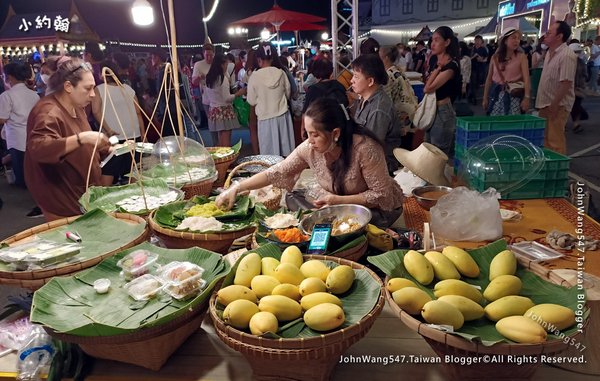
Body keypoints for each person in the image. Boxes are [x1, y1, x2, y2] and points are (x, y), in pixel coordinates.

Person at [215, 97, 404, 228]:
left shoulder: (365, 149)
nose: (310, 140)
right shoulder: (310, 148)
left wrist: (339, 201)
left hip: (373, 209)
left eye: (315, 135)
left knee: (355, 224)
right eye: (307, 133)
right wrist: (236, 188)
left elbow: (382, 195)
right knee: (293, 197)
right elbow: (276, 172)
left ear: (336, 133)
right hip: (334, 203)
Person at [25, 57, 112, 221]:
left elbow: (86, 142)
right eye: (88, 88)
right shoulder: (48, 111)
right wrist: (82, 138)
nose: (93, 95)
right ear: (68, 86)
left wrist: (107, 148)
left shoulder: (77, 107)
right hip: (61, 196)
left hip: (83, 190)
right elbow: (39, 148)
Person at [92, 60, 145, 184]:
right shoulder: (127, 88)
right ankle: (135, 197)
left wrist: (108, 129)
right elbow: (138, 112)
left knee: (109, 169)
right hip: (134, 133)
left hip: (115, 135)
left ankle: (102, 198)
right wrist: (143, 133)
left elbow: (95, 112)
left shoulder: (99, 89)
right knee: (134, 168)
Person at [351, 54, 401, 173]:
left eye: (356, 77)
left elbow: (370, 148)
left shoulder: (379, 109)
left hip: (380, 166)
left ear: (370, 81)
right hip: (365, 158)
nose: (351, 80)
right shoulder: (364, 98)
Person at [536, 21, 577, 154]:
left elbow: (566, 83)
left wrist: (554, 105)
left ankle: (557, 170)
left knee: (555, 141)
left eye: (549, 33)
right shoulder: (549, 52)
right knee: (546, 140)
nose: (545, 35)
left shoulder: (566, 55)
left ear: (559, 36)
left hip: (557, 105)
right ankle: (549, 166)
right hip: (545, 103)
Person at [247, 42, 294, 156]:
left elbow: (251, 100)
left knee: (268, 154)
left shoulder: (254, 76)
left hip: (264, 119)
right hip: (283, 117)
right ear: (272, 58)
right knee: (285, 151)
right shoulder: (281, 73)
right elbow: (288, 94)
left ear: (259, 59)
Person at [0, 62, 40, 190]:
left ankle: (24, 186)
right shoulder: (34, 94)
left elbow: (2, 118)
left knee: (21, 168)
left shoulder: (7, 95)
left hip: (16, 136)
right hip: (32, 133)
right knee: (32, 166)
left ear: (10, 77)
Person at [423, 26, 461, 158]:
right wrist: (438, 67)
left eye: (437, 40)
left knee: (437, 156)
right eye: (432, 40)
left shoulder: (451, 65)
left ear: (447, 42)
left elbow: (428, 88)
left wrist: (439, 68)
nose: (433, 44)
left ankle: (439, 179)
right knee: (427, 150)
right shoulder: (434, 60)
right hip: (431, 108)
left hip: (443, 111)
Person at [483, 28, 531, 116]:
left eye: (518, 38)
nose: (516, 41)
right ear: (505, 40)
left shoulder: (521, 57)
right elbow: (489, 79)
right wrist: (485, 98)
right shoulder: (495, 58)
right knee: (495, 123)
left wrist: (527, 97)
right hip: (496, 95)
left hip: (514, 96)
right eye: (513, 38)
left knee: (512, 124)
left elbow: (527, 79)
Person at [379, 45, 418, 149]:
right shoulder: (398, 70)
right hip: (410, 112)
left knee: (401, 150)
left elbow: (387, 100)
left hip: (401, 115)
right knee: (407, 146)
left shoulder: (388, 75)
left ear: (386, 57)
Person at [300, 58, 348, 139]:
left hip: (319, 130)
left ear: (314, 72)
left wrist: (303, 129)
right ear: (331, 71)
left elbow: (305, 113)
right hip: (338, 127)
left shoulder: (313, 90)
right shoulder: (339, 86)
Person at [204, 53, 245, 147]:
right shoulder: (223, 79)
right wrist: (238, 94)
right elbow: (227, 98)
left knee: (220, 138)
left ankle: (221, 160)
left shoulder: (209, 78)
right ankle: (227, 160)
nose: (227, 67)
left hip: (214, 110)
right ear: (222, 65)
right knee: (226, 138)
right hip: (224, 111)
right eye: (226, 64)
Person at [569, 42, 588, 133]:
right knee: (567, 107)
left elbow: (585, 75)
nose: (577, 53)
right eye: (575, 51)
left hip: (578, 88)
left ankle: (576, 124)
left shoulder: (581, 62)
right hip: (567, 88)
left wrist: (582, 86)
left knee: (576, 106)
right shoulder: (565, 62)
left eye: (578, 51)